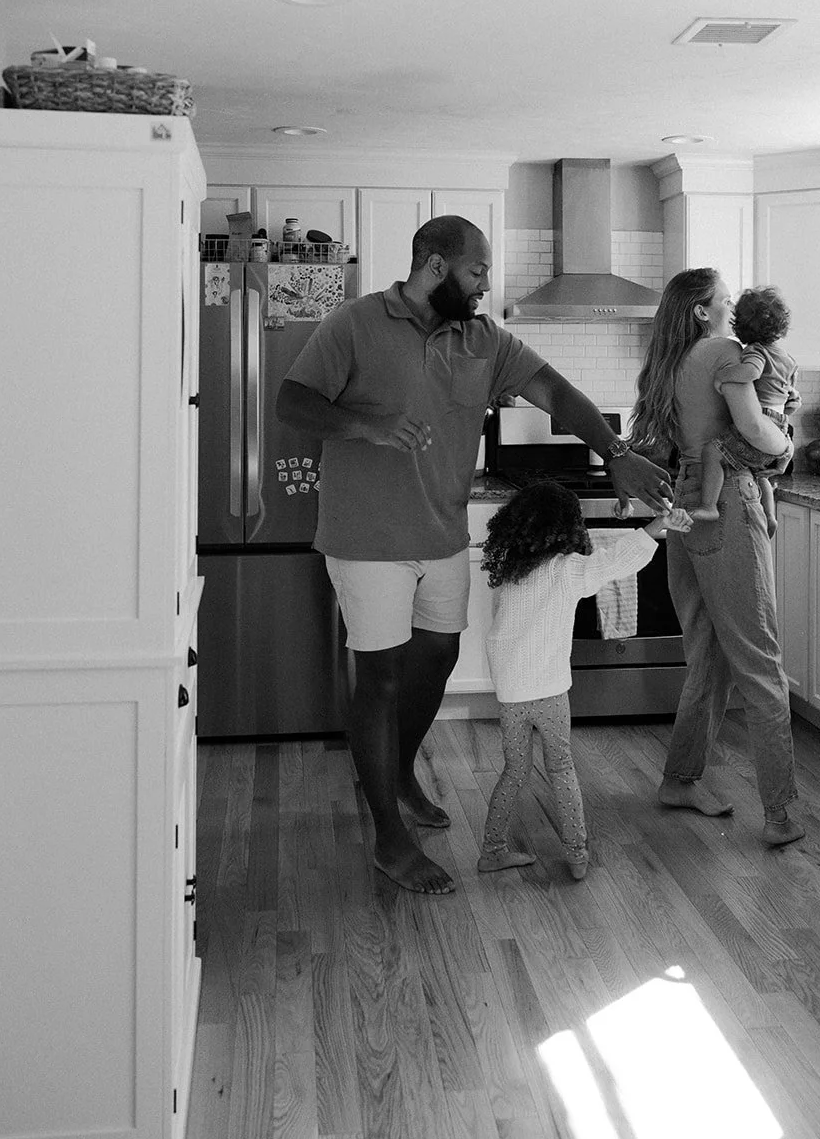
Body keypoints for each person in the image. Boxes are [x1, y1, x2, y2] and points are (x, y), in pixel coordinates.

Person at [275, 215, 673, 896]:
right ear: (433, 264)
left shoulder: (481, 338)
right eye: (477, 270)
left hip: (441, 535)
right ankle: (389, 840)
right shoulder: (354, 324)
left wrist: (616, 453)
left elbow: (555, 393)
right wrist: (363, 424)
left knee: (435, 657)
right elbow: (292, 400)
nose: (486, 282)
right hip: (366, 540)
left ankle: (397, 771)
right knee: (379, 679)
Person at [629, 268, 805, 848]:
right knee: (761, 661)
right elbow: (757, 432)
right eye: (723, 299)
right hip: (727, 504)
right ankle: (780, 812)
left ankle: (681, 780)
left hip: (687, 506)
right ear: (704, 311)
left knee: (708, 654)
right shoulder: (729, 353)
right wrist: (787, 445)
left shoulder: (673, 362)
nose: (732, 305)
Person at [476, 481, 691, 881]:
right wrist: (657, 525)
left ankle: (492, 849)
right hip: (549, 692)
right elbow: (615, 561)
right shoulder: (566, 569)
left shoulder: (510, 572)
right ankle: (576, 854)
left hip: (510, 692)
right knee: (560, 769)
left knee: (514, 770)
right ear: (569, 527)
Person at [687, 285, 800, 538]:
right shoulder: (788, 358)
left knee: (713, 452)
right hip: (780, 424)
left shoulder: (756, 351)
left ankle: (708, 507)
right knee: (759, 473)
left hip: (763, 419)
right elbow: (794, 399)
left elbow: (751, 373)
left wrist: (722, 376)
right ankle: (770, 516)